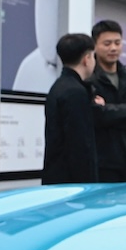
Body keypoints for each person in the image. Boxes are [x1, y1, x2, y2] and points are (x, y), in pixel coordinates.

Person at [88, 20, 126, 182]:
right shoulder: (90, 79)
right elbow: (96, 117)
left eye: (117, 43)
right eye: (107, 43)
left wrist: (110, 111)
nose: (113, 48)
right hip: (103, 165)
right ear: (95, 45)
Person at [42, 33, 99, 185]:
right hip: (71, 184)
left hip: (57, 177)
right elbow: (80, 146)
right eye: (93, 56)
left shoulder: (59, 86)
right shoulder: (76, 92)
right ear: (86, 59)